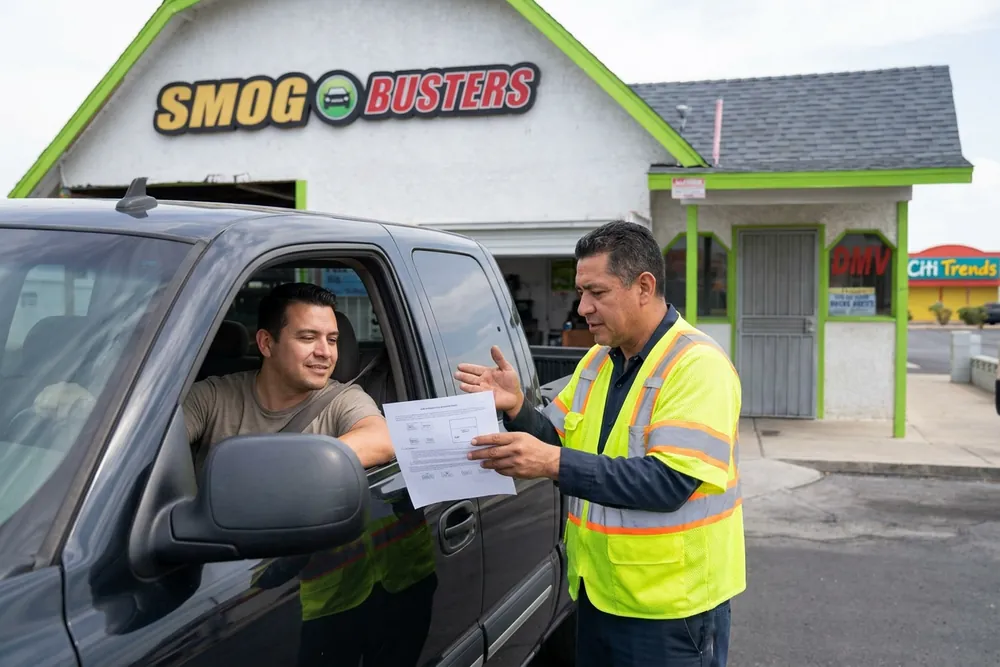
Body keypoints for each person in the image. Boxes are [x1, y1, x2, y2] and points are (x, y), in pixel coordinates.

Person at [454, 220, 744, 667]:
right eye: (581, 291)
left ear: (644, 287)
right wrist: (518, 409)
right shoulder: (599, 360)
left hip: (671, 610)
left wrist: (553, 462)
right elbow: (557, 437)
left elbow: (669, 482)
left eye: (598, 292)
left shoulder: (697, 365)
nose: (582, 307)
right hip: (598, 594)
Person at [184, 281, 393, 469]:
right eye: (308, 337)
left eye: (331, 340)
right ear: (266, 343)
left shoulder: (343, 400)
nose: (325, 352)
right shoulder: (211, 396)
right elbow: (154, 442)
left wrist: (288, 467)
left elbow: (382, 440)